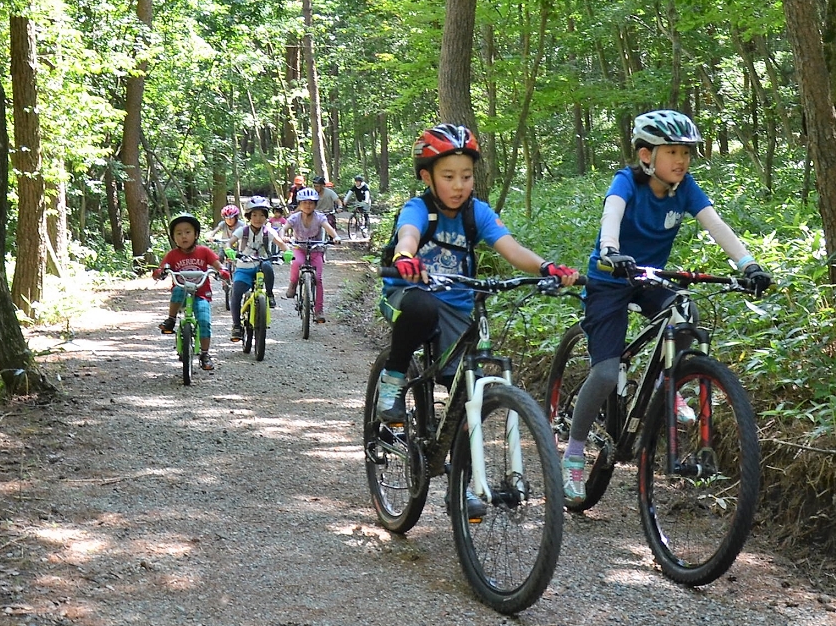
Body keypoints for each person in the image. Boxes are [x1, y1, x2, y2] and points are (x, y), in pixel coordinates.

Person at [564, 110, 771, 502]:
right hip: (611, 278)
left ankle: (668, 382)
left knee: (684, 310)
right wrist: (611, 250)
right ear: (646, 156)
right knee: (607, 374)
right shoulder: (626, 182)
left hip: (650, 280)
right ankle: (573, 453)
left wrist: (748, 264)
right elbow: (612, 213)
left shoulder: (685, 188)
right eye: (671, 151)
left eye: (686, 153)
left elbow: (716, 224)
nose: (681, 160)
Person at [376, 124, 580, 431]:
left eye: (466, 176)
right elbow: (409, 234)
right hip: (408, 297)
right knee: (422, 308)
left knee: (465, 387)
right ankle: (391, 382)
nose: (459, 185)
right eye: (448, 177)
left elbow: (511, 248)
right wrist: (405, 256)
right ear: (427, 177)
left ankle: (463, 468)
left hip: (457, 308)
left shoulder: (477, 213)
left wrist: (546, 268)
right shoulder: (419, 209)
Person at [151, 214, 229, 372]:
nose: (183, 236)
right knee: (179, 289)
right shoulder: (172, 255)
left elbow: (217, 265)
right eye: (178, 233)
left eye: (187, 232)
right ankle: (171, 319)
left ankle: (205, 354)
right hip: (182, 293)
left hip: (200, 293)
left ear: (196, 234)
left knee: (204, 321)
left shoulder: (204, 251)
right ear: (174, 237)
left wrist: (222, 271)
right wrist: (160, 272)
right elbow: (162, 268)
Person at [228, 196, 287, 341]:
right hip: (244, 266)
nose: (258, 218)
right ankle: (236, 325)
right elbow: (230, 243)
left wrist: (287, 252)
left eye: (262, 215)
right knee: (236, 292)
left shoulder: (268, 231)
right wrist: (229, 250)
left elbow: (281, 244)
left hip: (261, 265)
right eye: (254, 215)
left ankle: (270, 294)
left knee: (267, 266)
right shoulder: (243, 231)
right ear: (248, 216)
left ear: (266, 216)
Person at [283, 187, 337, 323]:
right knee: (296, 263)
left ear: (315, 204)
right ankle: (293, 284)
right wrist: (282, 236)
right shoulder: (295, 218)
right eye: (305, 202)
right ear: (300, 204)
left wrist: (335, 237)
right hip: (300, 248)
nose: (308, 205)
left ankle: (319, 310)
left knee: (318, 279)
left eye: (311, 203)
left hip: (316, 249)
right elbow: (284, 228)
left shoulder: (319, 217)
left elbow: (328, 228)